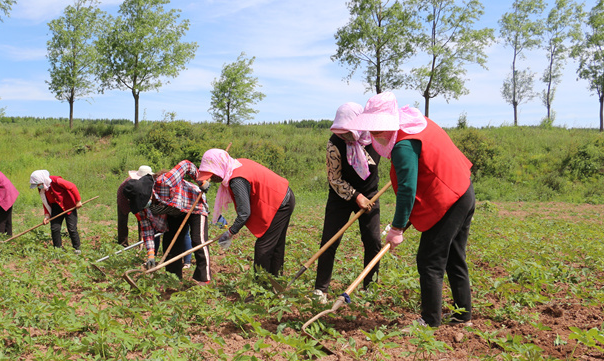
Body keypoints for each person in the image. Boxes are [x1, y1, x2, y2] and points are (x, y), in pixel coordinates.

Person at [350, 91, 475, 328]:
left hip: (448, 199)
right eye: (372, 128)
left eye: (378, 127)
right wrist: (403, 222)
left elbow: (408, 189)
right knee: (454, 257)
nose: (375, 133)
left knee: (430, 260)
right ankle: (462, 316)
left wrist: (397, 228)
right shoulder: (416, 122)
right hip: (463, 191)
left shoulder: (403, 145)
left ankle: (429, 320)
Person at [312, 103, 382, 304]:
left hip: (370, 194)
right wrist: (355, 196)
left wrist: (364, 196)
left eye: (349, 132)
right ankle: (320, 290)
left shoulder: (374, 137)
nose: (346, 137)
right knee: (329, 241)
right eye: (342, 132)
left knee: (373, 241)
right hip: (341, 195)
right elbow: (334, 179)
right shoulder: (334, 143)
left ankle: (370, 288)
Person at [198, 149, 295, 278]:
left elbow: (244, 213)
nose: (211, 178)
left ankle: (262, 288)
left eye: (212, 174)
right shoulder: (235, 165)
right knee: (275, 244)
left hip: (280, 202)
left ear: (220, 167)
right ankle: (276, 282)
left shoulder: (237, 179)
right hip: (283, 196)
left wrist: (230, 232)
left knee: (263, 247)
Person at [122, 160, 211, 284]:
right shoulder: (143, 209)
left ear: (148, 194)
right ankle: (173, 279)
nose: (143, 205)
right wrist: (151, 255)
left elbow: (186, 165)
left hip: (194, 204)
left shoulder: (164, 181)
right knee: (170, 246)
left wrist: (200, 180)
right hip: (175, 212)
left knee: (198, 240)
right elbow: (147, 231)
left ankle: (203, 279)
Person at [29, 170, 83, 253]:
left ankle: (77, 249)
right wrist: (47, 216)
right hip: (56, 207)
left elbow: (72, 186)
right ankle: (57, 250)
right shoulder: (42, 189)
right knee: (55, 228)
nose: (38, 187)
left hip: (68, 205)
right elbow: (45, 202)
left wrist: (78, 201)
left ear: (42, 180)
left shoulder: (56, 181)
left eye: (38, 184)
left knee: (71, 228)